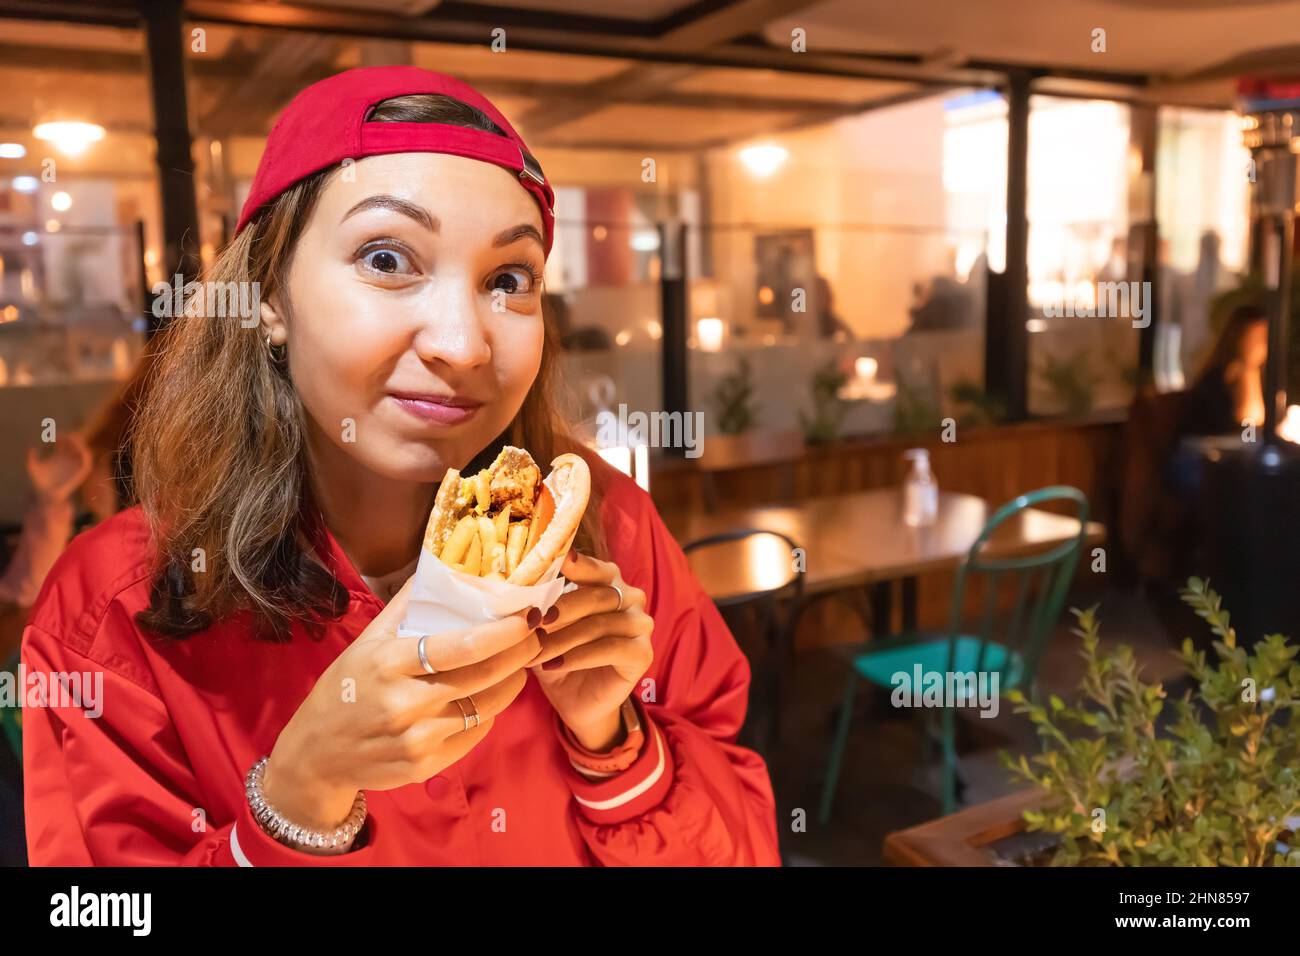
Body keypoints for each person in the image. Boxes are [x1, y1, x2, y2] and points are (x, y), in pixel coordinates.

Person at [21, 67, 780, 866]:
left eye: (507, 280)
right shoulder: (108, 615)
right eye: (387, 259)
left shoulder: (611, 534)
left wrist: (614, 744)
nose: (462, 344)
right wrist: (297, 798)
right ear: (269, 299)